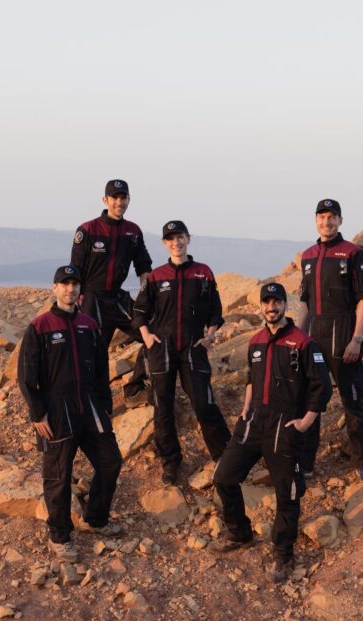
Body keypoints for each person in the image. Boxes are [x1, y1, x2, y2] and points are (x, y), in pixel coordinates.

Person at [211, 283, 332, 583]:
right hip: (253, 422)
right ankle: (239, 533)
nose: (271, 307)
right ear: (261, 306)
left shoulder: (303, 343)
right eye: (266, 302)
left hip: (285, 426)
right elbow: (252, 379)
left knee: (286, 493)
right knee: (223, 477)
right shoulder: (255, 342)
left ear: (285, 305)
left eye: (276, 302)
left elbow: (322, 387)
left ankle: (283, 554)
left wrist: (305, 422)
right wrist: (245, 406)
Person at [17, 265, 124, 564]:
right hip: (57, 410)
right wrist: (38, 414)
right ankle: (60, 536)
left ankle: (95, 520)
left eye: (75, 283)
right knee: (58, 476)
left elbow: (101, 370)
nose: (70, 289)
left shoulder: (89, 325)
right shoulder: (40, 327)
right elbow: (26, 377)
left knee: (111, 462)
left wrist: (104, 406)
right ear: (54, 288)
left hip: (89, 406)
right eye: (64, 284)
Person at [132, 220, 231, 485]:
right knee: (163, 406)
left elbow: (215, 310)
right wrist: (146, 336)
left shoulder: (203, 272)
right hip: (161, 348)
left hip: (192, 347)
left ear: (188, 239)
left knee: (203, 402)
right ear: (165, 243)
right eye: (171, 239)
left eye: (180, 237)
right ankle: (170, 462)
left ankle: (225, 456)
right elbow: (140, 311)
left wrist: (210, 336)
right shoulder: (156, 276)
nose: (176, 242)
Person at [297, 198, 363, 481]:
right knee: (311, 400)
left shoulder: (353, 254)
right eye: (322, 217)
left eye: (332, 217)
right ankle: (306, 464)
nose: (326, 222)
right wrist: (298, 337)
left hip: (343, 334)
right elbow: (304, 301)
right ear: (315, 220)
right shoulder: (307, 255)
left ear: (340, 220)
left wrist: (357, 339)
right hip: (314, 335)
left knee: (352, 399)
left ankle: (362, 462)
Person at [70, 179, 153, 408]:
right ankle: (100, 406)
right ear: (105, 200)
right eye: (114, 198)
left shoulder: (133, 231)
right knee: (95, 353)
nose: (119, 202)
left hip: (117, 298)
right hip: (91, 298)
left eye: (123, 198)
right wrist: (76, 300)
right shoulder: (88, 230)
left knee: (154, 334)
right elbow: (75, 268)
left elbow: (143, 266)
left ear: (129, 200)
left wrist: (147, 297)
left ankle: (134, 390)